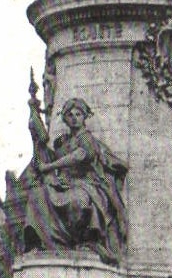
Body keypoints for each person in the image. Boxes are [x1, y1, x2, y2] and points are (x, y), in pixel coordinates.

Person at [24, 98, 128, 264]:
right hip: (64, 183)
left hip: (88, 183)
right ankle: (42, 242)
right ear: (65, 118)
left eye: (78, 114)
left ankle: (86, 240)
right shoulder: (62, 142)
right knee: (38, 195)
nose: (74, 118)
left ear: (84, 117)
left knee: (78, 199)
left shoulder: (87, 139)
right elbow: (49, 154)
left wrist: (49, 166)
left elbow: (79, 156)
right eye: (70, 115)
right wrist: (37, 138)